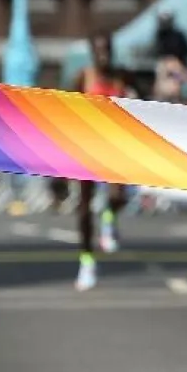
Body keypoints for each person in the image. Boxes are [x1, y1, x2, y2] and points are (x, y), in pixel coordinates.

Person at [73, 32, 134, 290]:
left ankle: (109, 215)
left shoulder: (121, 76)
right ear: (92, 52)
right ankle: (87, 262)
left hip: (115, 146)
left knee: (119, 195)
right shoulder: (83, 77)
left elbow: (142, 100)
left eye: (107, 49)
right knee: (84, 209)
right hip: (86, 146)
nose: (104, 55)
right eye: (99, 50)